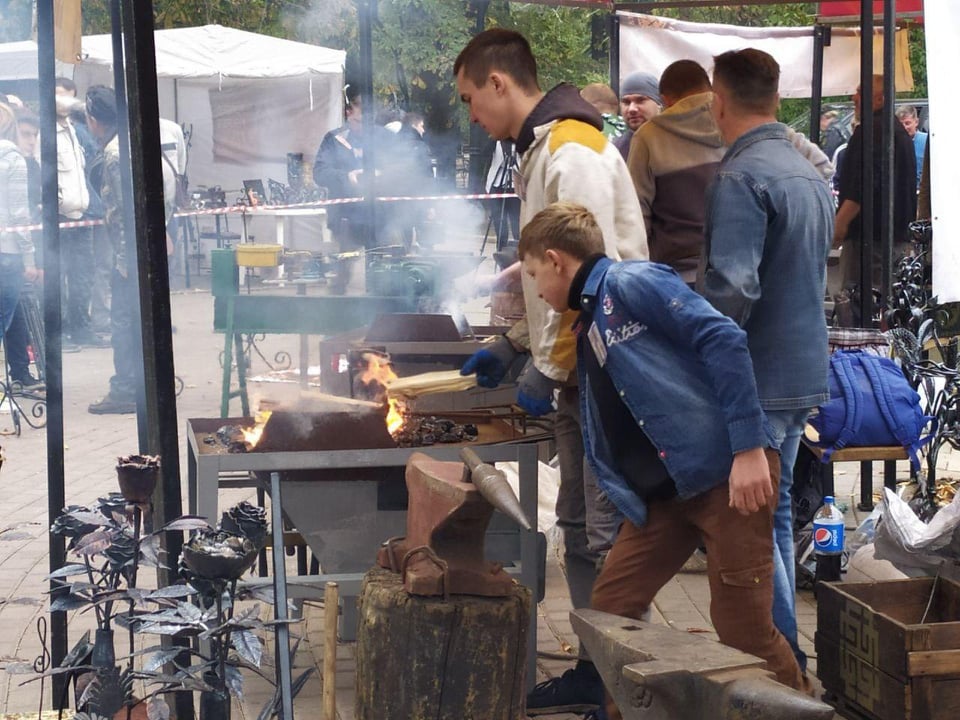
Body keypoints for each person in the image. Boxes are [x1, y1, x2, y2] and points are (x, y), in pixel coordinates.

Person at [518, 202, 804, 720]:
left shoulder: (632, 283)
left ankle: (797, 712)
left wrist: (747, 449)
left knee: (743, 628)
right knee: (608, 612)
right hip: (668, 497)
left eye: (535, 275)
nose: (537, 291)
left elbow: (723, 337)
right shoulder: (590, 322)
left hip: (725, 479)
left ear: (557, 260)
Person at [453, 28, 647, 715]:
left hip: (604, 370)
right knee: (576, 528)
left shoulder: (573, 152)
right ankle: (597, 671)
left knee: (608, 535)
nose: (473, 115)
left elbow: (590, 276)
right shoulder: (541, 152)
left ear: (500, 82)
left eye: (473, 98)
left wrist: (551, 362)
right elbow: (551, 271)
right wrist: (514, 340)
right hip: (577, 372)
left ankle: (626, 684)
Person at [699, 48, 834, 682]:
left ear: (716, 103)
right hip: (803, 367)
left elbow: (732, 292)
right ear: (776, 101)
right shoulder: (808, 171)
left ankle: (783, 669)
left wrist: (694, 352)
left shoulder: (741, 178)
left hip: (758, 374)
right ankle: (792, 659)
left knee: (756, 528)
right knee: (775, 517)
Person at [627, 60, 721, 285]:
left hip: (672, 277)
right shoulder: (733, 122)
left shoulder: (648, 137)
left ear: (665, 100)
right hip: (732, 273)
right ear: (709, 89)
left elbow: (636, 213)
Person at [834, 75, 916, 292]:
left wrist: (840, 224)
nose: (854, 97)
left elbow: (866, 183)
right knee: (883, 310)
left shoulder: (874, 131)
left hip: (870, 243)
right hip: (890, 240)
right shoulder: (896, 131)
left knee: (857, 308)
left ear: (880, 99)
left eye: (861, 92)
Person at [85, 86, 139, 414]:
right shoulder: (133, 141)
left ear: (94, 121)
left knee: (122, 320)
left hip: (130, 254)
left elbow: (123, 211)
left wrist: (123, 258)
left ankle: (125, 390)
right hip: (142, 247)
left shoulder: (116, 154)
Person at [313, 86, 395, 292]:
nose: (364, 128)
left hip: (379, 215)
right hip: (345, 216)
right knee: (343, 270)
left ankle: (382, 309)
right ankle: (337, 312)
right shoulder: (334, 139)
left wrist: (382, 175)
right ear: (349, 113)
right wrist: (346, 177)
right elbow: (320, 172)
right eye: (360, 122)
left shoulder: (385, 137)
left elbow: (402, 168)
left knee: (383, 270)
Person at [0, 103, 39, 381]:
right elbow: (19, 214)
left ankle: (19, 373)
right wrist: (29, 258)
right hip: (7, 251)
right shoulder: (13, 159)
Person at [612, 71, 661, 160]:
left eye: (640, 100)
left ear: (658, 103)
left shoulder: (678, 146)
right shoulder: (614, 153)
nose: (632, 109)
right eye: (626, 102)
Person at [895, 104, 926, 189]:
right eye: (901, 124)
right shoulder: (893, 144)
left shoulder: (926, 141)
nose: (904, 127)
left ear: (916, 122)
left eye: (907, 123)